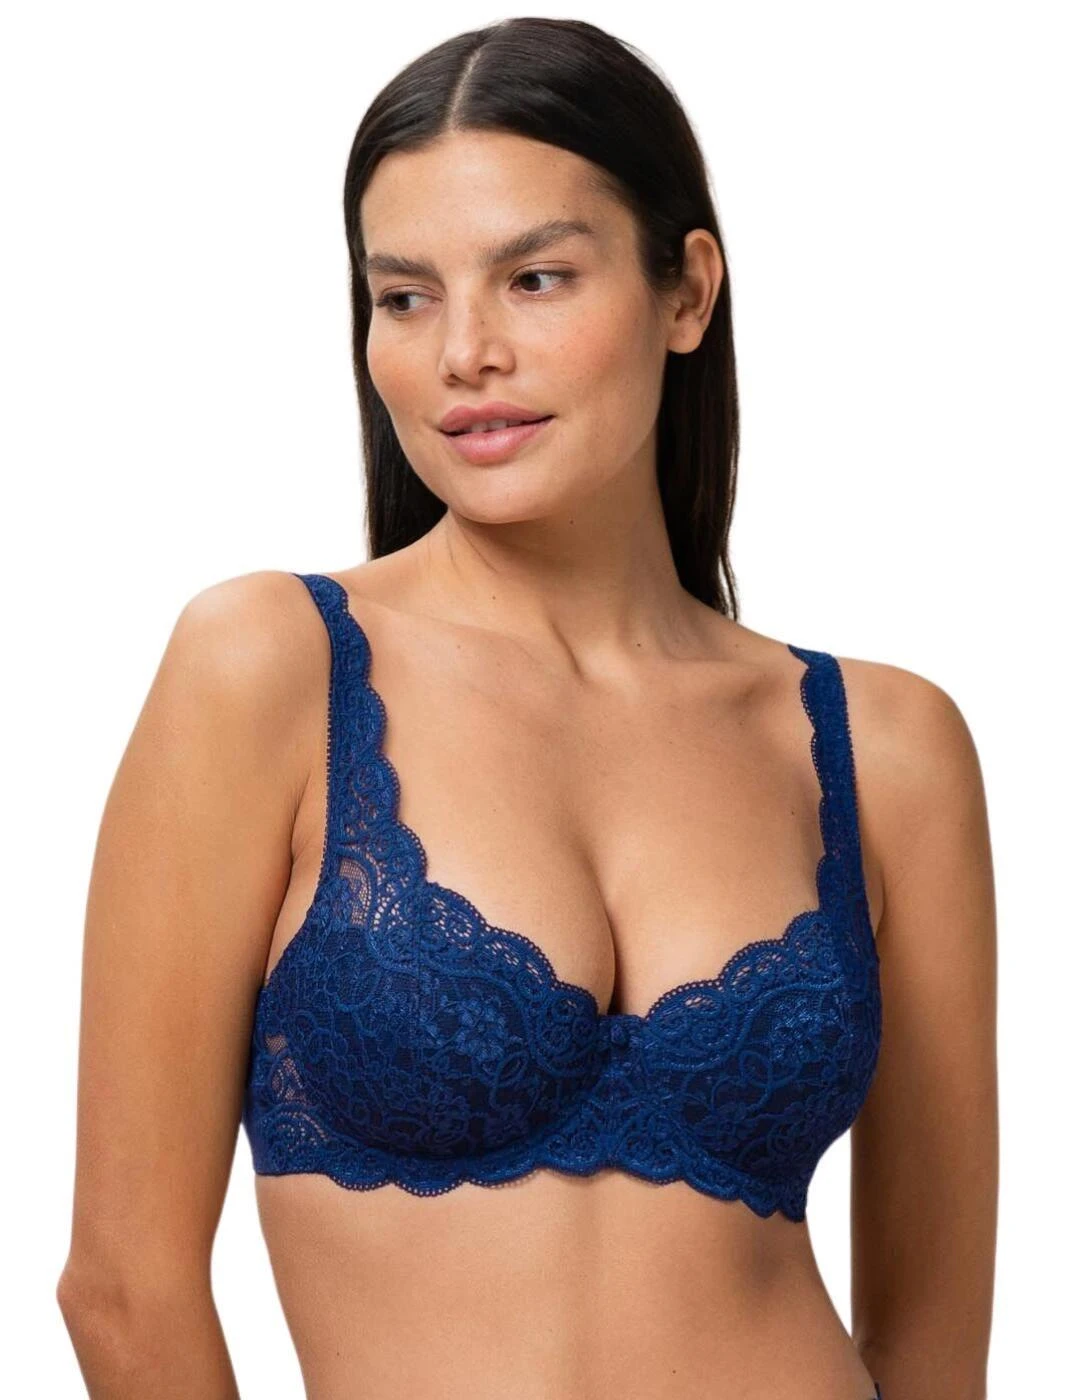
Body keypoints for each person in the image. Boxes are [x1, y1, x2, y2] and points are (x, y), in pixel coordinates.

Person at [55, 17, 997, 1400]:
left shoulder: (888, 747)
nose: (465, 353)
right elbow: (125, 1288)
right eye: (405, 297)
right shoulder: (270, 668)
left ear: (687, 293)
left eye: (536, 278)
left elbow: (932, 1350)